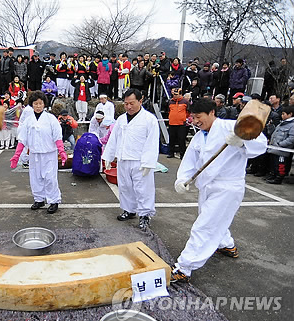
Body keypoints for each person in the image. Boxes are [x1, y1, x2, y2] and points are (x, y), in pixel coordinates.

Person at [171, 99, 267, 283]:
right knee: (213, 220)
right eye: (192, 118)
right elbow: (190, 160)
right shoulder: (199, 136)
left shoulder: (233, 127)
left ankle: (184, 267)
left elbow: (261, 144)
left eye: (198, 117)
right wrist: (182, 179)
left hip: (227, 187)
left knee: (205, 226)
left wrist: (241, 141)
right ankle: (226, 244)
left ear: (212, 112)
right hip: (207, 185)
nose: (195, 121)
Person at [102, 89, 159, 231]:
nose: (128, 107)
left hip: (140, 161)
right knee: (125, 186)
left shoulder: (149, 119)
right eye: (126, 103)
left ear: (140, 101)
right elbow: (113, 139)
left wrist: (148, 162)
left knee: (143, 189)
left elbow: (152, 143)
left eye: (131, 103)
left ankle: (145, 214)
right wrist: (108, 157)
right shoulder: (121, 119)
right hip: (123, 159)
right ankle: (129, 209)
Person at [10, 91, 66, 214]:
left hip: (49, 153)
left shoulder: (51, 119)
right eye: (35, 104)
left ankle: (53, 200)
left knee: (50, 178)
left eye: (40, 103)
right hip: (34, 154)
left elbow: (57, 136)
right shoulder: (28, 120)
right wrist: (16, 155)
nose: (38, 106)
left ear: (44, 104)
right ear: (32, 105)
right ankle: (39, 199)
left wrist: (61, 151)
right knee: (35, 178)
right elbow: (22, 139)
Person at [264, 106, 294, 184]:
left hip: (282, 150)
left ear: (290, 114)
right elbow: (273, 133)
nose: (282, 115)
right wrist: (270, 126)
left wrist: (280, 144)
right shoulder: (282, 123)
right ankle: (273, 175)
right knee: (274, 164)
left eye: (284, 114)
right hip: (275, 148)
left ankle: (278, 178)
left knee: (280, 165)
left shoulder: (292, 125)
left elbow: (291, 138)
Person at [167, 88, 190, 159]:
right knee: (171, 139)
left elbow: (188, 112)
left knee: (181, 139)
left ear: (180, 94)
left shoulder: (185, 102)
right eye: (174, 94)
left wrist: (183, 118)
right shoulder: (170, 102)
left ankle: (182, 154)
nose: (174, 96)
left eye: (176, 94)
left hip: (181, 124)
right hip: (172, 123)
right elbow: (168, 111)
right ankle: (171, 153)